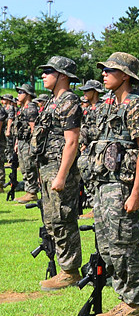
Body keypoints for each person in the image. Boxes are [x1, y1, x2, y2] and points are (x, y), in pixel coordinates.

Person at [88, 52, 139, 316]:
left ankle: (137, 304)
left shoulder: (135, 106)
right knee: (107, 246)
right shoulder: (106, 105)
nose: (103, 74)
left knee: (125, 245)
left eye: (109, 70)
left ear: (125, 75)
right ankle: (125, 299)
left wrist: (137, 192)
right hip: (104, 185)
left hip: (123, 186)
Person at [31, 56, 84, 290]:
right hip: (48, 166)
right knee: (52, 219)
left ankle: (70, 271)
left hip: (60, 167)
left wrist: (62, 175)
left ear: (62, 76)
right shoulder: (53, 100)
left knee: (63, 218)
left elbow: (71, 141)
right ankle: (65, 268)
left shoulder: (68, 101)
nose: (43, 75)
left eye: (48, 71)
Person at [77, 79, 105, 217]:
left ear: (95, 92)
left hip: (99, 147)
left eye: (87, 90)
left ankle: (97, 207)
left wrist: (86, 135)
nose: (84, 93)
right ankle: (94, 203)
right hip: (88, 147)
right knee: (86, 173)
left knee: (97, 176)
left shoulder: (102, 108)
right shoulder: (88, 109)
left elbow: (101, 129)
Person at [13, 83, 40, 204]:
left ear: (27, 94)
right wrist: (17, 143)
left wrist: (34, 145)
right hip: (22, 141)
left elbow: (33, 128)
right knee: (24, 167)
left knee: (29, 166)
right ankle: (28, 191)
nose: (18, 95)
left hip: (29, 142)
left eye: (21, 92)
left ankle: (32, 192)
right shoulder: (23, 108)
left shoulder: (31, 108)